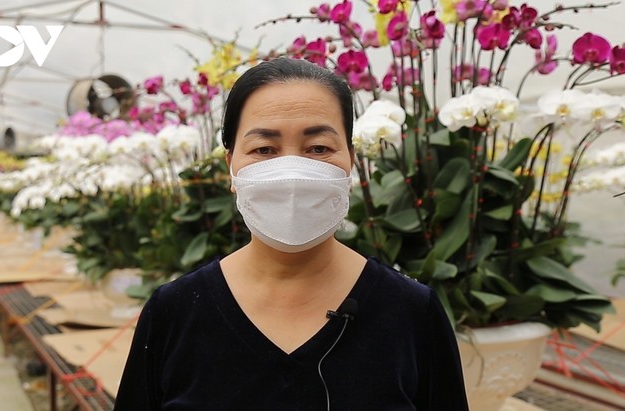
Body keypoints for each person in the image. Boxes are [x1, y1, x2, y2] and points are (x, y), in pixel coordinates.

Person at [114, 57, 469, 410]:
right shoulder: (173, 312)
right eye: (264, 150)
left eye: (318, 149)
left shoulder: (411, 313)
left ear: (351, 160)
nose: (293, 172)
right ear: (231, 169)